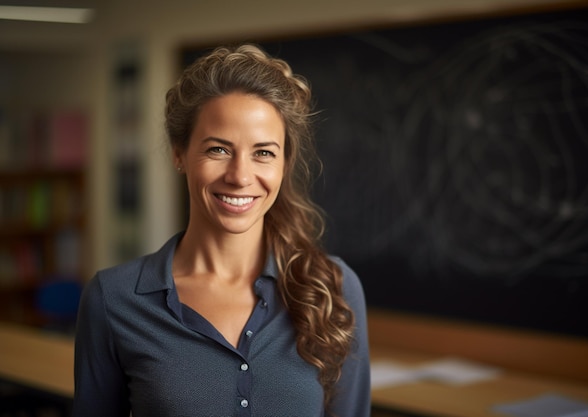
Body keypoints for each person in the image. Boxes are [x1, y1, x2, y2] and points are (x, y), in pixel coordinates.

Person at [73, 44, 371, 417]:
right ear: (179, 153)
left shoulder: (335, 287)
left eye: (263, 152)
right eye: (218, 150)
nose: (240, 176)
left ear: (284, 163)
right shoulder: (113, 299)